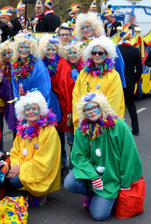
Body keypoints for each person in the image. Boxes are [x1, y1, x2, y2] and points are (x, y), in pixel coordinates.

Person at [64, 91, 142, 221]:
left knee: (99, 215)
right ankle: (95, 193)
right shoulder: (82, 130)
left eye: (94, 107)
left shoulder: (119, 126)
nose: (91, 111)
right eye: (87, 109)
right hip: (93, 175)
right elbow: (79, 156)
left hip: (112, 179)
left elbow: (129, 156)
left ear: (102, 107)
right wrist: (93, 177)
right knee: (69, 183)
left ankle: (110, 195)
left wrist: (125, 183)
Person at [8, 90, 61, 198]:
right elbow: (15, 152)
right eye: (27, 109)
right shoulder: (22, 129)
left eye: (34, 108)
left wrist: (20, 169)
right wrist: (15, 166)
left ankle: (38, 193)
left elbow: (43, 161)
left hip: (40, 174)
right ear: (23, 112)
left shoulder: (49, 130)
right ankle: (27, 195)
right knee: (4, 175)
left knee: (13, 181)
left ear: (40, 110)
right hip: (24, 168)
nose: (31, 112)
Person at [72, 36, 125, 130]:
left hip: (103, 125)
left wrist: (97, 118)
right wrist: (83, 117)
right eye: (94, 52)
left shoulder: (113, 75)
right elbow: (76, 96)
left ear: (107, 54)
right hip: (85, 123)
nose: (97, 55)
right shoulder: (83, 74)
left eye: (100, 53)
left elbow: (114, 100)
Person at [39, 35, 75, 171]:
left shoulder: (63, 64)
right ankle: (61, 160)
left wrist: (70, 110)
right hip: (50, 106)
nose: (50, 52)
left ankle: (73, 164)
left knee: (70, 137)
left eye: (53, 49)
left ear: (58, 50)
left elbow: (68, 88)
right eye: (48, 49)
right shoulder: (42, 63)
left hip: (64, 105)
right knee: (56, 136)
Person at [11, 32, 62, 123]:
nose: (24, 50)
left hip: (39, 108)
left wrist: (34, 111)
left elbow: (43, 90)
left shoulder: (38, 64)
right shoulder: (15, 65)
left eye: (27, 47)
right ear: (17, 48)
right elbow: (15, 90)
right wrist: (19, 110)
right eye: (21, 47)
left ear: (32, 49)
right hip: (25, 110)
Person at [75, 13, 126, 88]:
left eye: (87, 27)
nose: (85, 30)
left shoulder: (107, 43)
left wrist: (119, 84)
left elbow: (119, 65)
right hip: (85, 84)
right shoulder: (79, 45)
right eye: (82, 28)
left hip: (105, 83)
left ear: (95, 27)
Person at [118, 23, 143, 135]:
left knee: (118, 106)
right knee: (131, 105)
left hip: (118, 81)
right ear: (129, 37)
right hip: (130, 81)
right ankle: (136, 129)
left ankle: (118, 130)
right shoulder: (135, 50)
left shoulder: (117, 49)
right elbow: (139, 68)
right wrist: (135, 80)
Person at [0, 40, 18, 136]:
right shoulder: (3, 69)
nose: (7, 56)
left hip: (22, 100)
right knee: (15, 129)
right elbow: (3, 94)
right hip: (11, 104)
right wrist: (0, 83)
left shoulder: (20, 65)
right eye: (4, 54)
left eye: (9, 53)